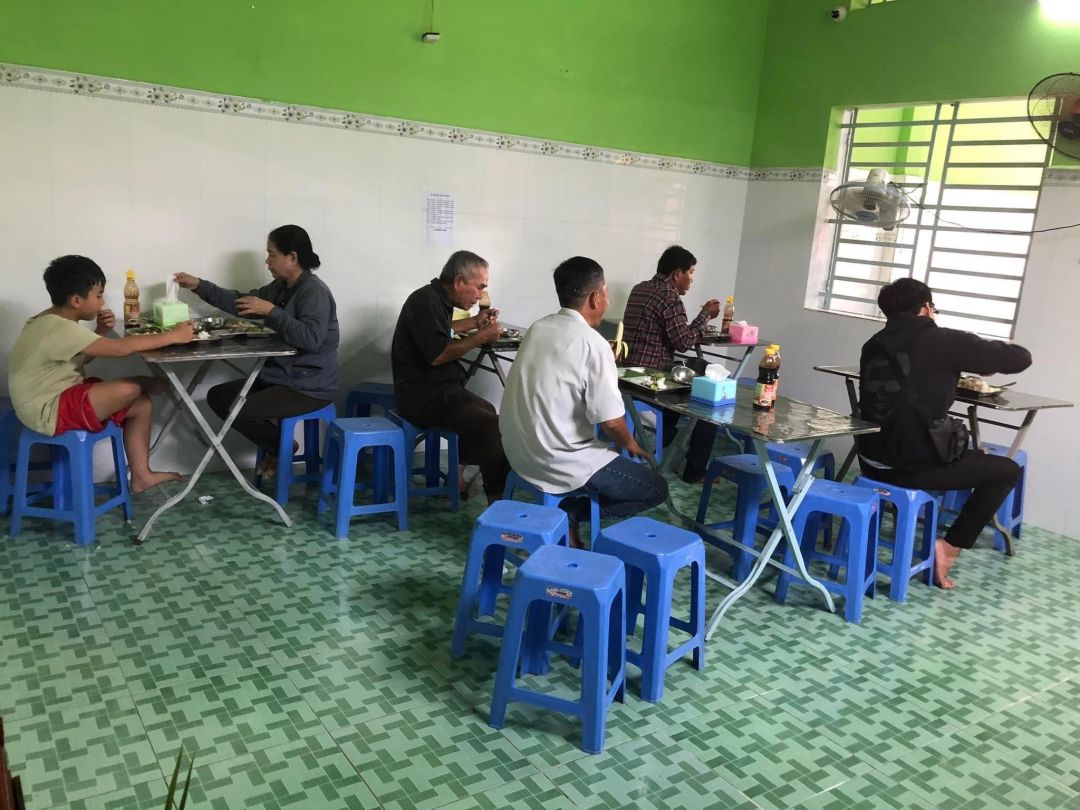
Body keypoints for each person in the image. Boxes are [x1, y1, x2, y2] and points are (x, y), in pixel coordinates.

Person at [857, 278, 1032, 589]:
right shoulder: (944, 341)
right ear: (926, 308)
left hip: (870, 461)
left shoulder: (873, 344)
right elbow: (1020, 358)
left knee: (967, 453)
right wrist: (981, 359)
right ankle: (948, 548)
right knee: (1006, 470)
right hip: (911, 468)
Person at [500, 256, 669, 547]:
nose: (607, 300)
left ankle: (568, 512)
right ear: (594, 297)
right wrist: (631, 444)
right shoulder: (593, 344)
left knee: (606, 456)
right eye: (606, 292)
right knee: (655, 488)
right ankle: (571, 513)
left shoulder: (538, 327)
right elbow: (612, 422)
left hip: (518, 452)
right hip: (559, 461)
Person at [8, 255, 193, 492]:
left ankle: (142, 476)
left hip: (52, 399)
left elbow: (79, 357)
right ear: (76, 300)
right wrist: (174, 336)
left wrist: (100, 331)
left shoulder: (49, 320)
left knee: (141, 404)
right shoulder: (58, 328)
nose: (102, 301)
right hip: (47, 411)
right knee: (130, 389)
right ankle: (142, 382)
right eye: (98, 296)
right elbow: (119, 349)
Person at [174, 224, 339, 477]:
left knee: (240, 409)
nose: (267, 261)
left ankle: (283, 448)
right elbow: (240, 302)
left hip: (309, 385)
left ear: (292, 257)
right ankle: (280, 447)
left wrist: (271, 311)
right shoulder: (280, 287)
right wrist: (198, 285)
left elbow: (311, 339)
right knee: (219, 397)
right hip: (281, 377)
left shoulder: (314, 292)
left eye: (272, 254)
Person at [391, 250, 510, 502]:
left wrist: (475, 322)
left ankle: (458, 477)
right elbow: (438, 354)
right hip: (422, 398)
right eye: (479, 287)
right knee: (493, 428)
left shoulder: (433, 298)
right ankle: (497, 503)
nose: (480, 295)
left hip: (438, 391)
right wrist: (481, 337)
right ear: (458, 281)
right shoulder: (425, 302)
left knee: (487, 409)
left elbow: (441, 330)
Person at [623, 245, 722, 482]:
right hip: (651, 379)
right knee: (710, 396)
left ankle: (668, 437)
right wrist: (705, 315)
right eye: (691, 273)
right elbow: (683, 342)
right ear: (677, 273)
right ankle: (694, 470)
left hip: (626, 373)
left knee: (695, 369)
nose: (691, 280)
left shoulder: (639, 289)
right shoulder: (669, 297)